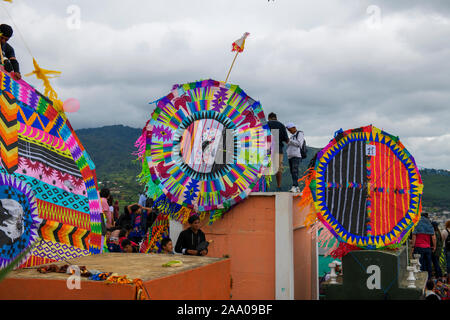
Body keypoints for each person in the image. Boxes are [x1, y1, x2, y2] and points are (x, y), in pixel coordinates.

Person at [267, 112, 289, 191]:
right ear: (276, 117)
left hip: (268, 149)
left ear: (269, 118)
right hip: (278, 150)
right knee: (278, 168)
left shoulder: (266, 124)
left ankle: (266, 187)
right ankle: (279, 186)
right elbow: (287, 140)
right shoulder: (281, 125)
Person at [411, 213, 436, 280]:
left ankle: (420, 279)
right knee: (428, 264)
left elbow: (414, 236)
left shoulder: (417, 224)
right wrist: (434, 246)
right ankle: (429, 279)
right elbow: (433, 238)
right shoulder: (429, 225)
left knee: (419, 264)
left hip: (418, 247)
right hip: (427, 248)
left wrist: (413, 247)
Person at [285, 123, 305, 193]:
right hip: (290, 156)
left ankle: (295, 186)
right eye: (288, 130)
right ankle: (297, 187)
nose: (289, 131)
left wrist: (289, 141)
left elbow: (299, 144)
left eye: (290, 130)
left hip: (296, 155)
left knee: (294, 171)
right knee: (292, 172)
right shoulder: (292, 136)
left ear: (294, 128)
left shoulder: (300, 134)